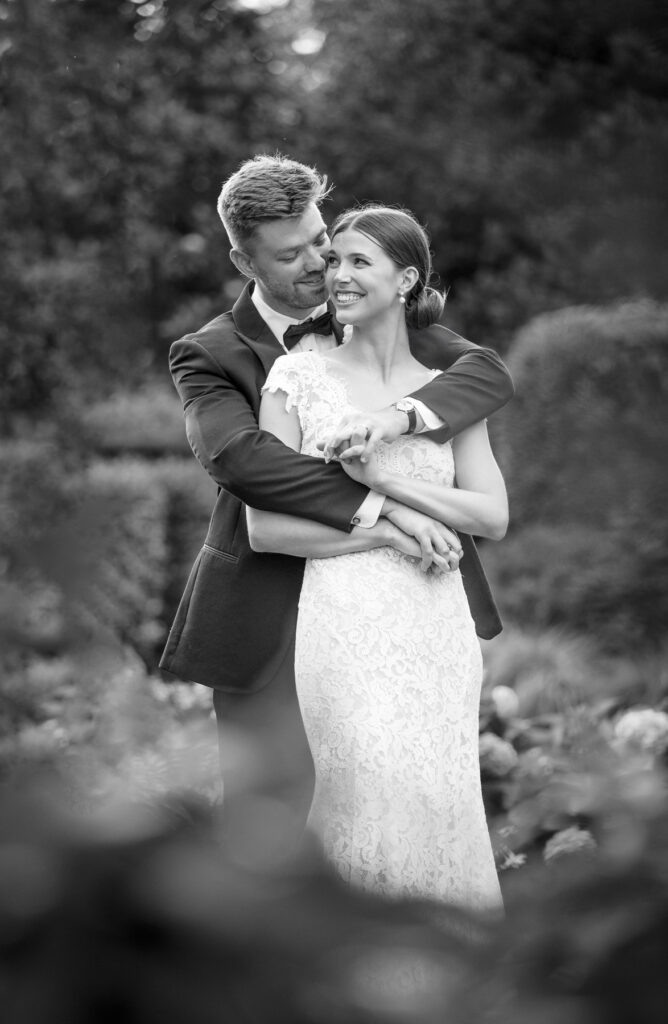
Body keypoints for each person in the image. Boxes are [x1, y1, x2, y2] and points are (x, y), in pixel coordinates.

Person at [159, 155, 513, 862]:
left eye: (321, 239)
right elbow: (242, 459)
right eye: (292, 255)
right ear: (242, 259)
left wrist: (401, 419)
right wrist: (388, 510)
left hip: (399, 618)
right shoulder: (210, 353)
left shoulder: (384, 317)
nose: (322, 264)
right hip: (267, 611)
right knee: (274, 835)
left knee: (408, 811)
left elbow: (485, 374)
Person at [246, 204, 507, 908]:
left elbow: (493, 515)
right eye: (335, 262)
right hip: (344, 622)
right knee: (364, 786)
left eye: (360, 262)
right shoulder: (296, 379)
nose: (338, 275)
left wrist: (387, 480)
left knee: (440, 797)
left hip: (437, 626)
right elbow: (265, 527)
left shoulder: (449, 388)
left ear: (406, 279)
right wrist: (389, 528)